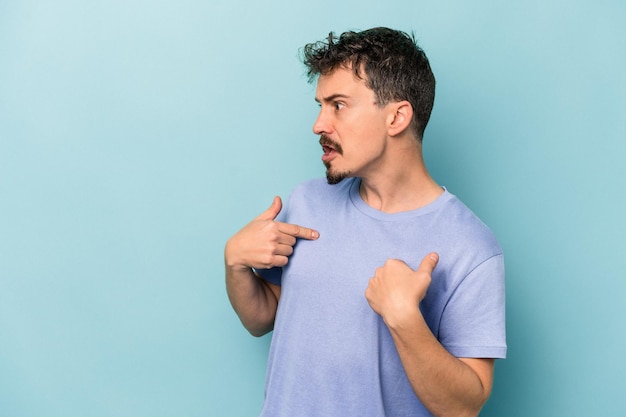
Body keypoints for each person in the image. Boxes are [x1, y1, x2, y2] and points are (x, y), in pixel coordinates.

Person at [224, 27, 506, 417]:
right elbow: (264, 317)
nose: (319, 124)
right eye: (320, 105)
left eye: (338, 105)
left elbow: (463, 407)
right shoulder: (307, 202)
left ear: (397, 117)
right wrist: (236, 265)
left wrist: (406, 320)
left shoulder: (471, 246)